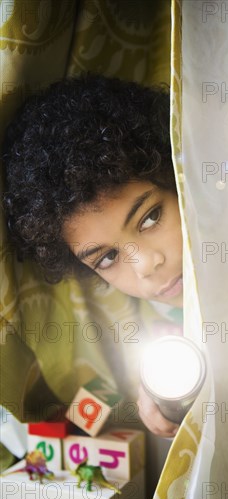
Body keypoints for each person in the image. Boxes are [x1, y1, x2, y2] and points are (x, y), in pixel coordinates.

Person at [2, 74, 183, 438]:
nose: (145, 265)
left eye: (150, 218)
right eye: (107, 258)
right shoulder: (152, 320)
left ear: (178, 179)